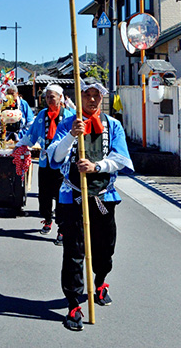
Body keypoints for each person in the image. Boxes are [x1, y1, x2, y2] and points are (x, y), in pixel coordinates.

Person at [47, 77, 134, 331]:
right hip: (72, 197)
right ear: (80, 96)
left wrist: (97, 166)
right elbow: (55, 156)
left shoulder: (113, 125)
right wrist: (72, 136)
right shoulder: (67, 123)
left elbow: (121, 158)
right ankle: (73, 304)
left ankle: (100, 281)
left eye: (97, 95)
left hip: (103, 196)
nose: (92, 99)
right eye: (87, 95)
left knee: (105, 247)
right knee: (74, 253)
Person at [15, 84, 74, 241]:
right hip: (44, 161)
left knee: (62, 196)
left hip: (63, 164)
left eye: (52, 96)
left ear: (60, 98)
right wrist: (20, 145)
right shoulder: (41, 115)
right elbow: (31, 135)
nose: (48, 99)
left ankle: (62, 228)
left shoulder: (69, 115)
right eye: (47, 97)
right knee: (45, 194)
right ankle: (47, 219)